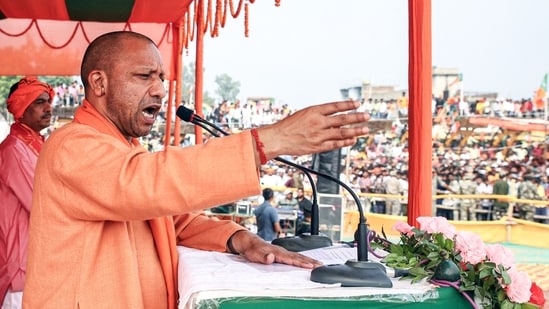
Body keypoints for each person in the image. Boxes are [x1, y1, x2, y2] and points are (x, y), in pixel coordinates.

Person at [22, 31, 370, 309]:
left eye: (160, 77)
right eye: (144, 76)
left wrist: (239, 238)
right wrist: (268, 141)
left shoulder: (122, 146)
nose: (159, 89)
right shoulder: (72, 144)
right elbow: (147, 184)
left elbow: (171, 219)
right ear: (99, 84)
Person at [0, 77, 53, 309]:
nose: (49, 107)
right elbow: (44, 204)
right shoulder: (14, 149)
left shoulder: (34, 146)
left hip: (35, 266)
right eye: (40, 102)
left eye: (49, 100)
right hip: (21, 268)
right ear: (21, 108)